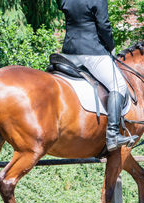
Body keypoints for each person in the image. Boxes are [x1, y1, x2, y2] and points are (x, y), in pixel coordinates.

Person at [59, 0, 137, 151]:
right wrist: (111, 47)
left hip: (68, 51)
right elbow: (104, 26)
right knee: (118, 85)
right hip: (91, 51)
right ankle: (113, 134)